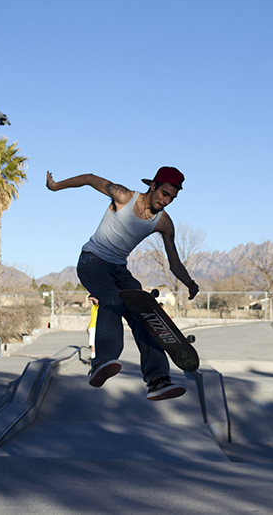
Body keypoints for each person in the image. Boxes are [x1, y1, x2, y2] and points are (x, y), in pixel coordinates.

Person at [46, 166, 199, 401]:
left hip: (119, 268)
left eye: (172, 198)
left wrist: (189, 283)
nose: (166, 201)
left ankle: (158, 379)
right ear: (153, 186)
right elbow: (89, 178)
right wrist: (56, 186)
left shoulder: (164, 223)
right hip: (92, 261)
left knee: (145, 312)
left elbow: (174, 261)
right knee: (112, 298)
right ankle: (102, 361)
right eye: (164, 193)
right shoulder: (123, 196)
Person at [86, 296, 98, 360]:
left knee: (93, 343)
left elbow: (98, 302)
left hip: (94, 327)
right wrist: (87, 327)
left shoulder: (96, 306)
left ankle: (93, 356)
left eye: (90, 301)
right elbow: (91, 318)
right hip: (91, 327)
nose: (90, 302)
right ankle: (93, 355)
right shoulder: (92, 307)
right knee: (91, 343)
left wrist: (93, 298)